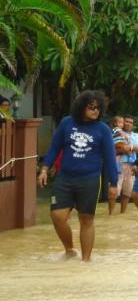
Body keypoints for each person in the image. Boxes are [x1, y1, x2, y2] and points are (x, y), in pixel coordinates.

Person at [37, 90, 118, 262]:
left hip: (90, 179)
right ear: (81, 107)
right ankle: (70, 250)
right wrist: (44, 169)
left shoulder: (103, 129)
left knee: (86, 219)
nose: (95, 111)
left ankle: (86, 261)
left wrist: (113, 184)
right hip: (65, 178)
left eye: (98, 108)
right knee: (57, 216)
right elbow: (54, 148)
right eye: (91, 107)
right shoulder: (67, 123)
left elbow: (110, 158)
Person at [117, 115, 138, 213]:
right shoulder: (117, 133)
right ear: (123, 123)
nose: (128, 123)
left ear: (133, 125)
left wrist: (129, 147)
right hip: (119, 164)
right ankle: (110, 215)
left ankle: (122, 214)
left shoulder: (136, 136)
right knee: (114, 192)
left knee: (127, 192)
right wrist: (125, 148)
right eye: (126, 121)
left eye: (130, 122)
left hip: (131, 165)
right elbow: (114, 148)